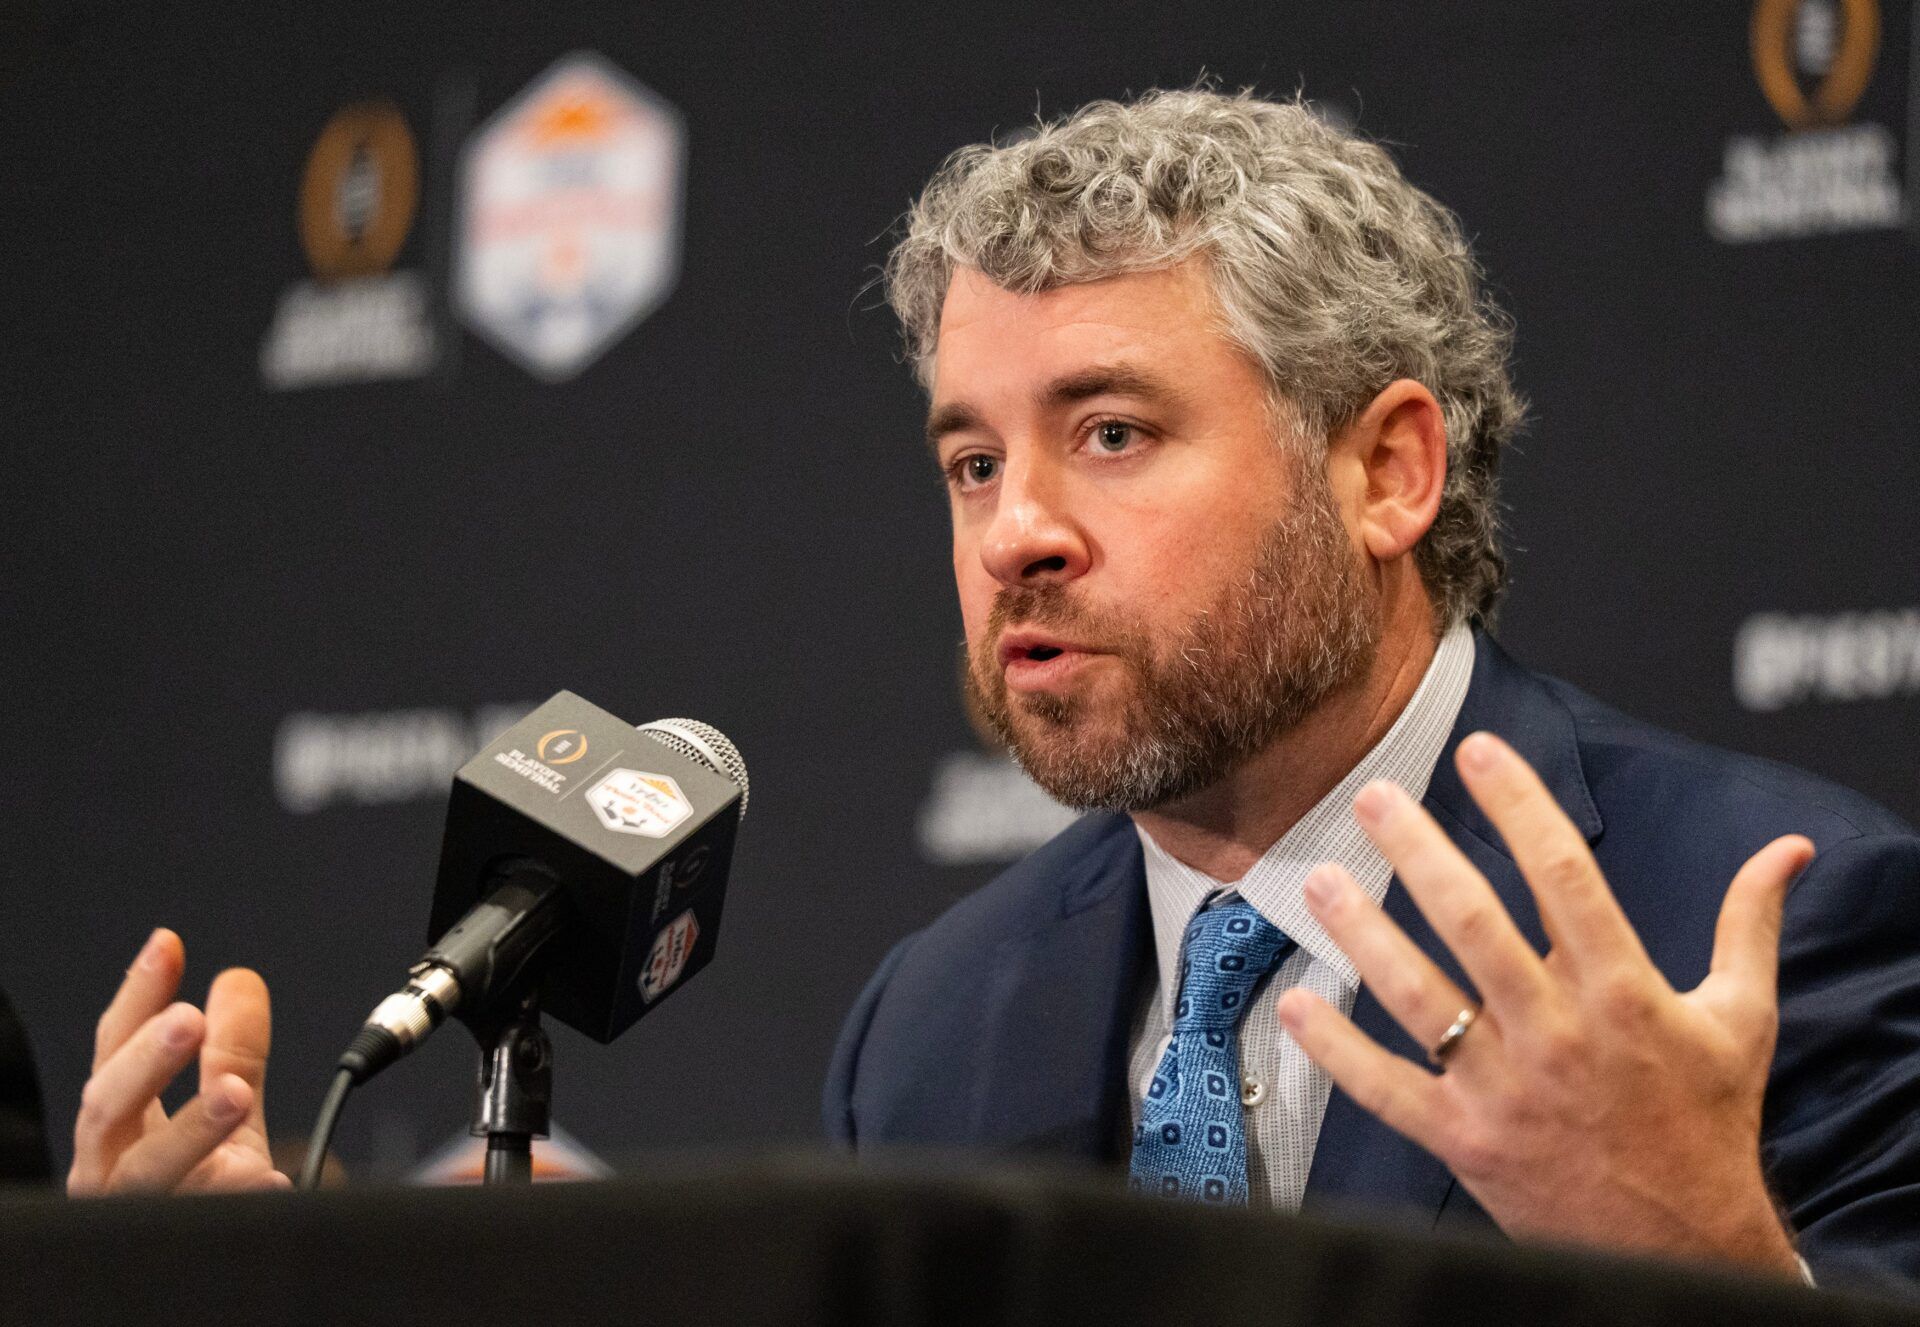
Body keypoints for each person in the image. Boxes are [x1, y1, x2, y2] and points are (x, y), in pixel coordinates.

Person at [68, 90, 1920, 1293]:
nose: (1015, 532)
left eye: (1111, 433)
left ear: (1387, 472)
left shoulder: (1762, 921)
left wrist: (1709, 1267)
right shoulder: (935, 1025)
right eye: (971, 461)